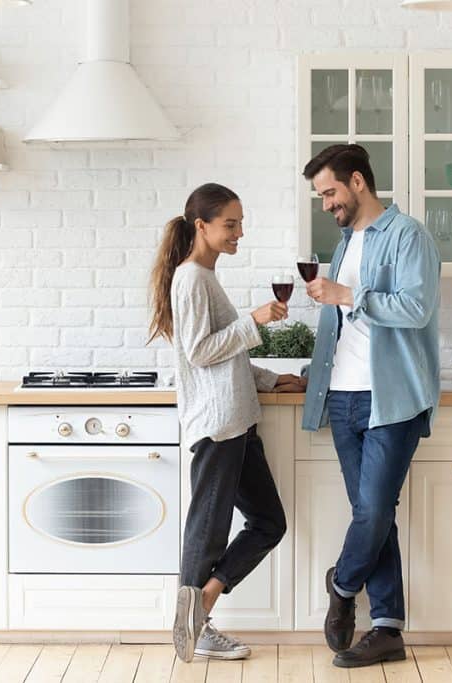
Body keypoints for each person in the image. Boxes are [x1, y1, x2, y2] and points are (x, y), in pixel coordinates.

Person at [147, 183, 307, 663]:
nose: (239, 232)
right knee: (209, 527)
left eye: (240, 223)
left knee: (268, 522)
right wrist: (255, 320)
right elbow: (199, 352)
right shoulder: (192, 278)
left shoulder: (205, 277)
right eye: (230, 224)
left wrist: (271, 377)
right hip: (218, 425)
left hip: (237, 421)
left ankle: (204, 603)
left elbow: (224, 357)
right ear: (202, 226)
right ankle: (194, 622)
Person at [300, 145, 441, 668]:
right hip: (342, 395)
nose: (325, 204)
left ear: (358, 182)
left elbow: (416, 307)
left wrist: (347, 295)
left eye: (330, 192)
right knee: (372, 515)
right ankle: (387, 629)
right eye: (321, 196)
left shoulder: (408, 236)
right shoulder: (344, 242)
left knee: (376, 509)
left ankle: (342, 584)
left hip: (391, 396)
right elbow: (344, 323)